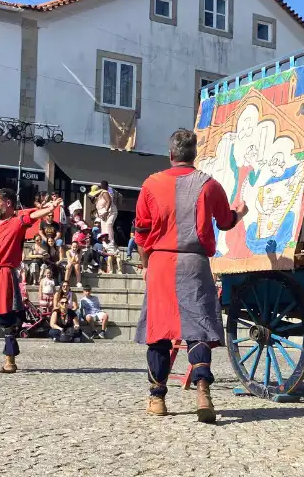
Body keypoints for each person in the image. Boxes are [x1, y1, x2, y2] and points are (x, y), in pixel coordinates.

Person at [134, 129, 248, 423]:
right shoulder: (209, 185)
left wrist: (146, 263)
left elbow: (141, 233)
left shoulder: (150, 184)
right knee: (198, 329)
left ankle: (157, 397)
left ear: (170, 154)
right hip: (194, 263)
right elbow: (225, 222)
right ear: (194, 154)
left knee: (158, 331)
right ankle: (202, 394)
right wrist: (240, 212)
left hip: (160, 262)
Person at [0, 189, 62, 373]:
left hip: (4, 274)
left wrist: (50, 208)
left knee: (6, 318)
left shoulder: (17, 222)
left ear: (8, 203)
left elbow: (32, 216)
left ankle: (10, 361)